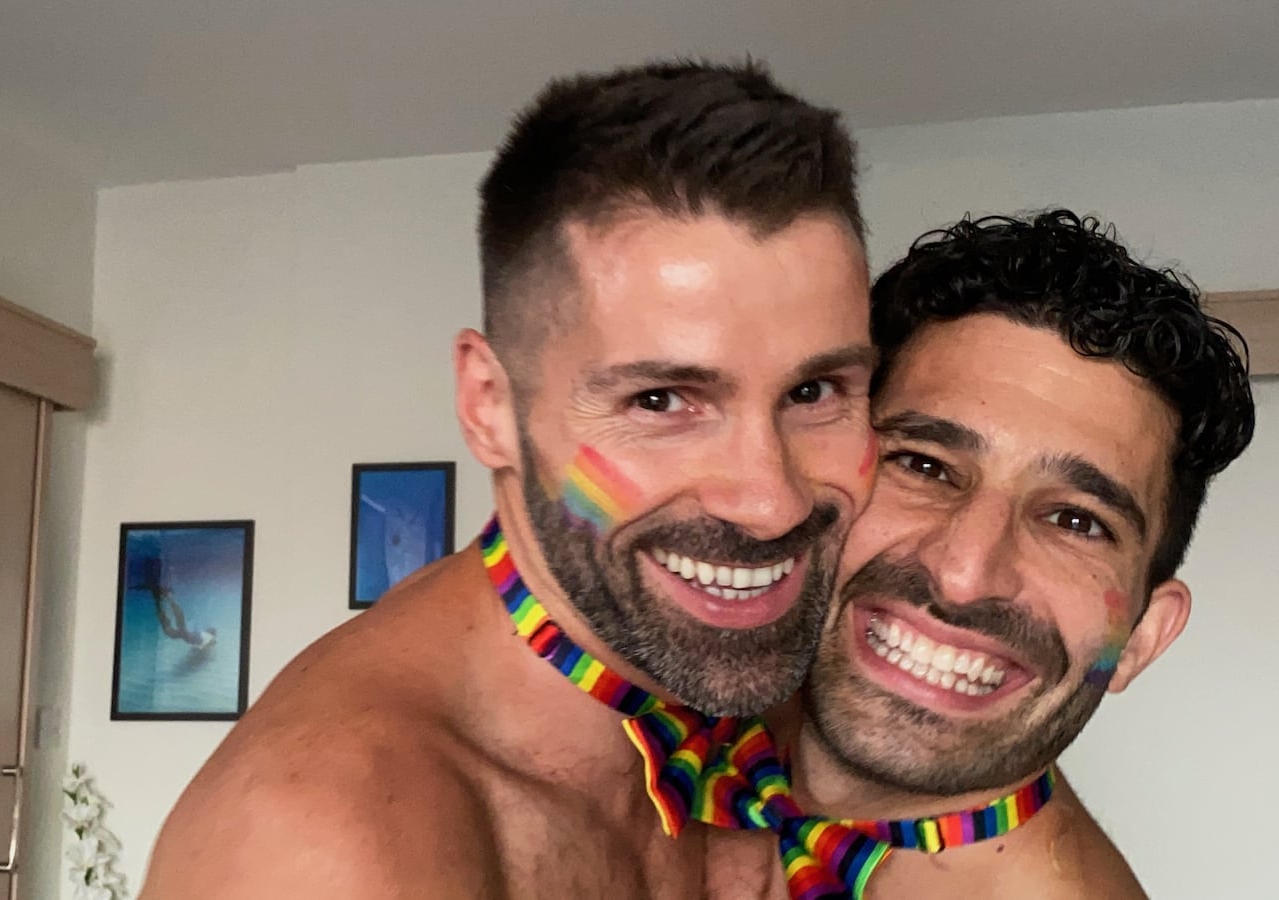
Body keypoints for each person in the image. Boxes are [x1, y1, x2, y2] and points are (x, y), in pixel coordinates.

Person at [141, 59, 878, 899]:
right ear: (489, 407)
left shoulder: (739, 688)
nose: (769, 502)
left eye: (815, 392)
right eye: (662, 399)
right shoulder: (327, 840)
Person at [731, 210, 1255, 899]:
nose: (962, 574)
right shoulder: (685, 677)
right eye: (922, 465)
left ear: (1140, 638)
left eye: (1074, 520)